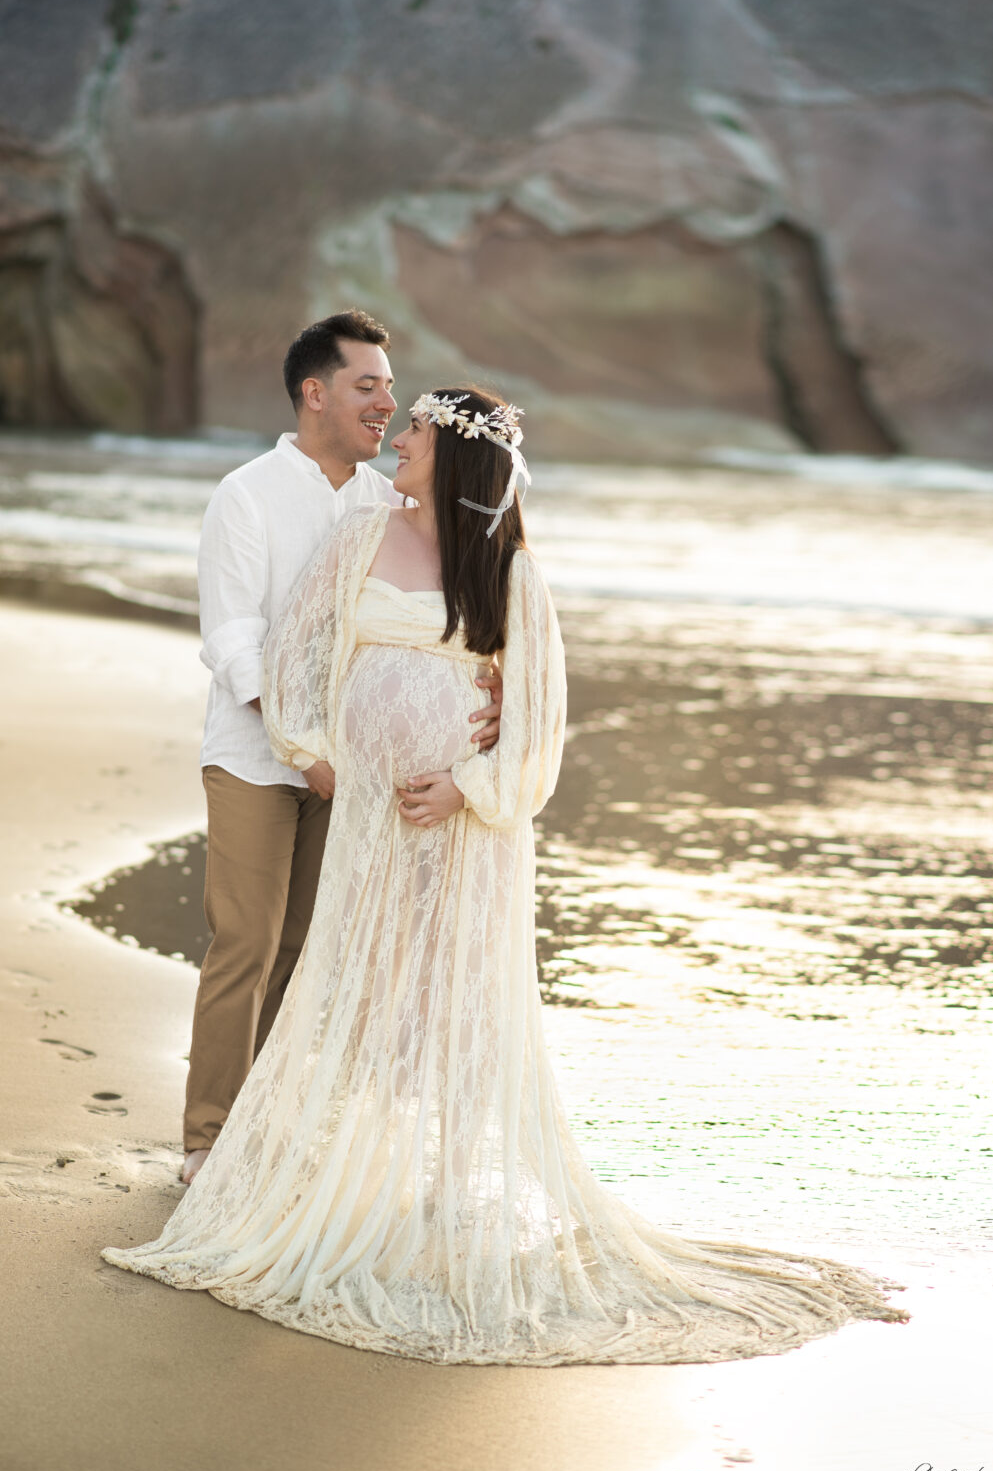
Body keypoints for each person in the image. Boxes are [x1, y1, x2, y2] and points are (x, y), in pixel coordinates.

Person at [104, 387, 905, 1363]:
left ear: (454, 454)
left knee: (444, 993)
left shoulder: (508, 571)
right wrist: (320, 754)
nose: (400, 438)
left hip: (466, 833)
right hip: (369, 824)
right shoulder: (358, 540)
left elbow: (536, 723)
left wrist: (467, 785)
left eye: (417, 430)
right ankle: (344, 1177)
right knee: (358, 982)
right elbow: (299, 651)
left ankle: (438, 1192)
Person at [183, 315, 502, 1186]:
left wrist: (493, 689)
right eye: (368, 386)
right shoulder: (246, 495)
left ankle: (260, 1129)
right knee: (246, 942)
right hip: (254, 756)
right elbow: (233, 638)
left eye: (390, 389)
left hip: (357, 771)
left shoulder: (387, 503)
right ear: (314, 392)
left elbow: (438, 612)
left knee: (305, 946)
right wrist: (300, 745)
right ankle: (207, 1138)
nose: (387, 404)